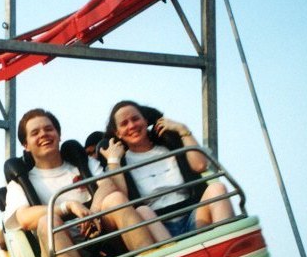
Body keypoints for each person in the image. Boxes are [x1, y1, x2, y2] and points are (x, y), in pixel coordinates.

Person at [3, 108, 157, 257]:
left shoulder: (83, 164)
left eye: (48, 129)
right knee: (47, 221)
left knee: (115, 198)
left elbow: (108, 185)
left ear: (58, 135)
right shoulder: (21, 183)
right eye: (35, 133)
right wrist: (68, 207)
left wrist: (94, 212)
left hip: (102, 236)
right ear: (26, 145)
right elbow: (23, 217)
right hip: (60, 252)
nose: (43, 135)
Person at [100, 100, 234, 237]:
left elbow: (200, 165)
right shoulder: (122, 161)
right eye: (124, 123)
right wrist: (113, 160)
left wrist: (183, 130)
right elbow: (123, 199)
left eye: (135, 119)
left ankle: (229, 244)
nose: (132, 126)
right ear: (118, 133)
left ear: (145, 121)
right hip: (158, 226)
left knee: (217, 189)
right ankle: (172, 253)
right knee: (142, 210)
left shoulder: (169, 146)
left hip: (194, 217)